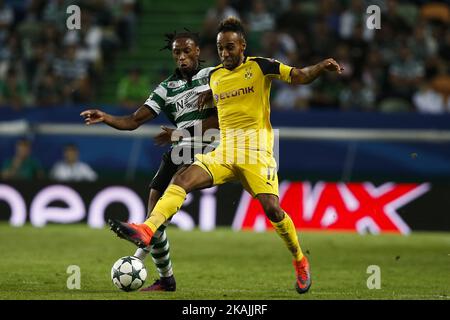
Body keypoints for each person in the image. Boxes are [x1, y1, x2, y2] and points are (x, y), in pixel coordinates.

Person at [108, 16, 342, 294]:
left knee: (272, 210)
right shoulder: (216, 76)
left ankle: (301, 261)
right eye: (220, 48)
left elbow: (300, 76)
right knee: (182, 179)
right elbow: (216, 109)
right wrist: (194, 115)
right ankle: (147, 230)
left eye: (230, 47)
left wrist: (321, 67)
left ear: (242, 45)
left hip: (256, 152)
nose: (225, 53)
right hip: (225, 151)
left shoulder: (260, 66)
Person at [81, 31, 219, 292]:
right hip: (181, 149)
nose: (182, 56)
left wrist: (213, 96)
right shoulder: (166, 88)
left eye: (187, 51)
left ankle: (144, 257)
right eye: (177, 52)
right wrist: (106, 117)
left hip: (208, 146)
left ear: (198, 51)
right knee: (153, 209)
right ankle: (166, 279)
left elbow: (221, 118)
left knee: (157, 216)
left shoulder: (214, 76)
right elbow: (133, 120)